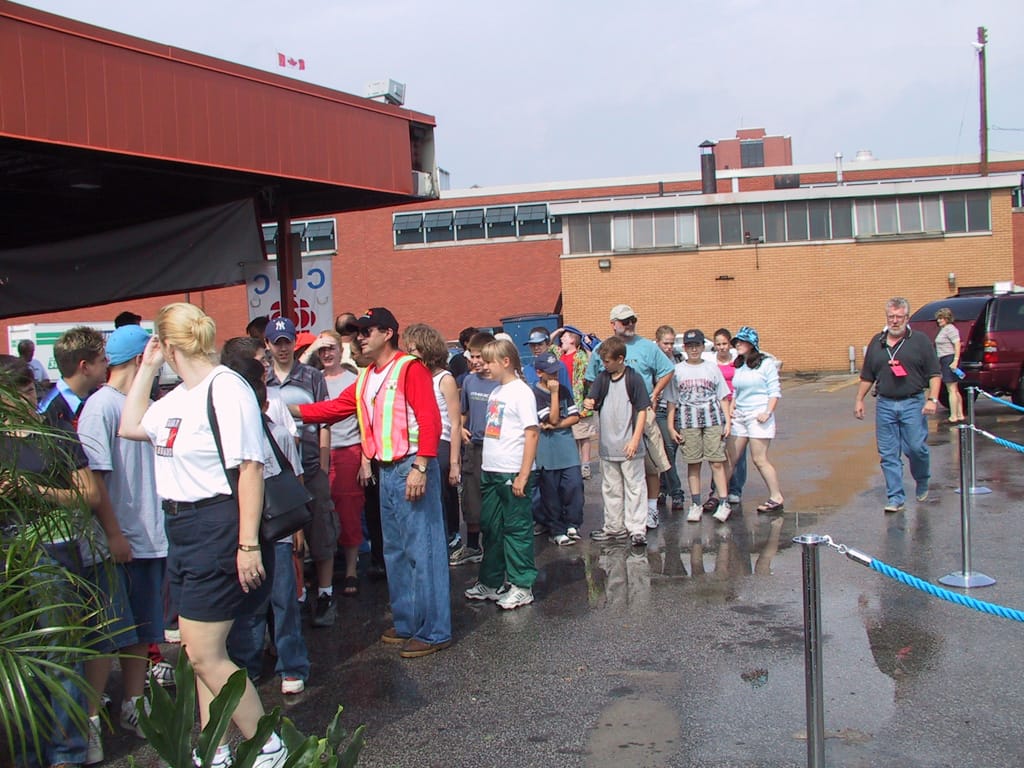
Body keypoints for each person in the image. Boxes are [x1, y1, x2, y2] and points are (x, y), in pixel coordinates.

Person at [118, 302, 288, 768]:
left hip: (217, 522)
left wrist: (247, 543)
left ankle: (267, 744)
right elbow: (130, 425)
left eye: (159, 349)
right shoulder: (177, 397)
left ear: (171, 344)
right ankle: (215, 747)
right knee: (197, 655)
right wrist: (149, 369)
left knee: (203, 653)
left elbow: (249, 467)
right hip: (183, 526)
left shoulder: (225, 387)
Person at [292, 307, 451, 658]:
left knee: (423, 551)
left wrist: (422, 465)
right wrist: (283, 409)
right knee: (395, 551)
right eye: (356, 333)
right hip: (387, 469)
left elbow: (429, 419)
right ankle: (409, 622)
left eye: (366, 331)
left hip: (410, 466)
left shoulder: (409, 368)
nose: (359, 338)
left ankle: (435, 629)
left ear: (388, 333)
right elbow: (331, 409)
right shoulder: (365, 376)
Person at [0, 353, 102, 768]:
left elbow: (89, 495)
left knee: (60, 651)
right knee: (19, 659)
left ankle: (66, 751)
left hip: (53, 551)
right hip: (9, 556)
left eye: (28, 389)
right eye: (15, 391)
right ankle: (26, 749)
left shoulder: (56, 433)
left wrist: (32, 491)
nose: (24, 398)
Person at [76, 324, 168, 751]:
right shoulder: (101, 406)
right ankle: (89, 719)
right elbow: (94, 479)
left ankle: (133, 703)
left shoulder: (144, 403)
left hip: (148, 537)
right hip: (116, 543)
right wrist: (113, 534)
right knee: (104, 635)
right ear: (138, 358)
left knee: (141, 631)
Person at [222, 357, 310, 697]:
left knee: (282, 602)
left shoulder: (275, 430)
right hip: (245, 532)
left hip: (276, 530)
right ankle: (248, 666)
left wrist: (297, 530)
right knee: (250, 606)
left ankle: (292, 664)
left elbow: (294, 474)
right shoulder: (228, 436)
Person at [264, 317, 337, 628]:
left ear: (295, 342)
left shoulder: (311, 377)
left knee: (321, 528)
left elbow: (324, 422)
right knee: (287, 537)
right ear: (268, 345)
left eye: (287, 342)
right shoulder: (262, 380)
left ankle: (325, 593)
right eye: (276, 342)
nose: (283, 348)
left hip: (309, 463)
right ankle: (297, 596)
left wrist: (322, 465)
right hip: (278, 473)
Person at [463, 339, 540, 608]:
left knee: (516, 529)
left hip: (511, 471)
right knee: (491, 527)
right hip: (491, 471)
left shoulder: (521, 392)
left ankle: (522, 585)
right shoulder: (497, 392)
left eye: (489, 361)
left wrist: (523, 474)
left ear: (505, 362)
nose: (483, 365)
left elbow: (532, 433)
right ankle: (491, 581)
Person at [585, 304, 673, 530]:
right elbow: (591, 378)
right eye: (625, 321)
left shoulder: (647, 347)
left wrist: (654, 393)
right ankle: (618, 521)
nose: (630, 324)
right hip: (613, 416)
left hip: (642, 411)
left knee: (650, 466)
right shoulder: (602, 350)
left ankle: (651, 510)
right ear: (613, 324)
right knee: (614, 470)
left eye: (633, 319)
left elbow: (668, 369)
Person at [854, 298, 941, 512]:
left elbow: (934, 374)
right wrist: (859, 399)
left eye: (899, 317)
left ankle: (922, 479)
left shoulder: (920, 341)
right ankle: (895, 497)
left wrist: (933, 399)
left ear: (907, 318)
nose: (894, 321)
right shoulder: (877, 342)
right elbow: (868, 375)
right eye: (891, 317)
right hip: (885, 403)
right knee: (888, 453)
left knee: (916, 448)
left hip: (912, 402)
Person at [307, 330, 364, 597]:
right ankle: (323, 571)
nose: (327, 354)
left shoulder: (354, 381)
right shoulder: (311, 379)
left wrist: (365, 460)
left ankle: (351, 568)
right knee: (319, 513)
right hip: (318, 452)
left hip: (347, 451)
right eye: (322, 350)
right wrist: (310, 350)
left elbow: (366, 424)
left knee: (349, 511)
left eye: (331, 348)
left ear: (341, 351)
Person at [583, 336, 651, 547]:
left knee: (635, 487)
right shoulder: (603, 378)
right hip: (608, 445)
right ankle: (614, 527)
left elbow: (642, 410)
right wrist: (588, 402)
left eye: (608, 361)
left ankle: (637, 529)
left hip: (629, 444)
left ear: (620, 359)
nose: (604, 365)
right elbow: (592, 402)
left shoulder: (634, 379)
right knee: (611, 488)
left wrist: (634, 440)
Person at [403, 324, 462, 553]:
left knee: (445, 495)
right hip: (420, 442)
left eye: (413, 349)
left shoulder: (444, 379)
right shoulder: (415, 376)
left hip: (443, 442)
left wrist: (455, 463)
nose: (409, 354)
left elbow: (456, 423)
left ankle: (452, 534)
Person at [666, 329, 733, 523]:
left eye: (697, 345)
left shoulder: (712, 368)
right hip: (688, 422)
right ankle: (695, 503)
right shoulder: (678, 370)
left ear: (703, 347)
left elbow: (722, 396)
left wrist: (727, 421)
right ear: (685, 348)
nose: (694, 349)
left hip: (712, 420)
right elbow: (672, 401)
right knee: (693, 463)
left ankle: (723, 501)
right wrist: (671, 427)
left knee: (717, 461)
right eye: (690, 346)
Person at [451, 332, 498, 566]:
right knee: (471, 499)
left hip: (495, 448)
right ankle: (472, 546)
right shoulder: (468, 381)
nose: (476, 361)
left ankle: (493, 547)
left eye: (481, 356)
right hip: (473, 448)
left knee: (493, 500)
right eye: (473, 356)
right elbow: (461, 413)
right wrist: (460, 429)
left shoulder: (501, 381)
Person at [730, 327, 785, 515]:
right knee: (730, 458)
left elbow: (774, 391)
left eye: (741, 341)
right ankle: (719, 497)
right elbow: (736, 390)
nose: (737, 344)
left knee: (759, 459)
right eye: (736, 341)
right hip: (740, 415)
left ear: (752, 344)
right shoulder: (739, 365)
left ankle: (776, 496)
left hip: (759, 415)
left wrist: (767, 412)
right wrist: (732, 407)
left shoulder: (766, 364)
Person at [531, 351, 582, 545]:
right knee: (550, 492)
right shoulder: (535, 393)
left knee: (573, 486)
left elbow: (574, 416)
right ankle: (556, 528)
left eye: (556, 372)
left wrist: (558, 425)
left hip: (566, 448)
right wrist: (553, 395)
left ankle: (573, 524)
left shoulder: (565, 390)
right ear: (539, 373)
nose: (555, 377)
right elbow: (550, 418)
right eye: (550, 373)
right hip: (547, 451)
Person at [552, 326, 596, 479]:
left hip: (579, 400)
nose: (561, 339)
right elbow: (547, 346)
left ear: (572, 340)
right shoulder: (559, 354)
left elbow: (590, 371)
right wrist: (558, 331)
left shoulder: (581, 356)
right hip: (563, 401)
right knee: (570, 436)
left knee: (583, 435)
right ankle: (574, 464)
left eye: (564, 336)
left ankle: (585, 465)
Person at [654, 325, 684, 510]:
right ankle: (677, 492)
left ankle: (663, 488)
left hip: (678, 408)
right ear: (658, 342)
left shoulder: (679, 358)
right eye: (665, 343)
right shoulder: (654, 360)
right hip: (661, 410)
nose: (669, 347)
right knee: (667, 451)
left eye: (671, 343)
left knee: (671, 450)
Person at [934, 307, 965, 423]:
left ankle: (954, 415)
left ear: (947, 318)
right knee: (955, 389)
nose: (939, 321)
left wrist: (955, 361)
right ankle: (959, 414)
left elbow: (957, 344)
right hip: (945, 359)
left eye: (941, 318)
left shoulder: (950, 329)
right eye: (938, 318)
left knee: (951, 389)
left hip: (949, 359)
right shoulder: (944, 329)